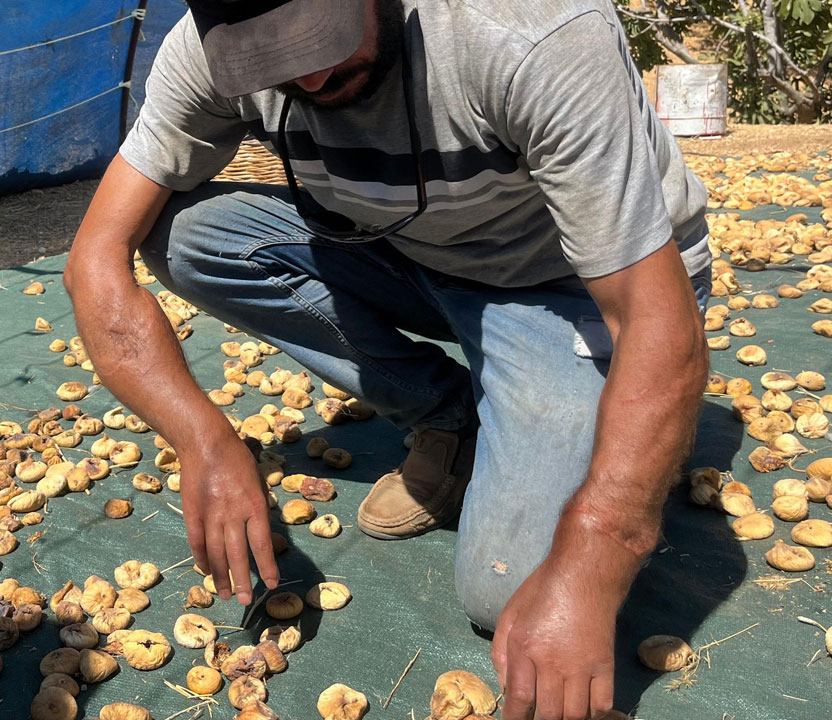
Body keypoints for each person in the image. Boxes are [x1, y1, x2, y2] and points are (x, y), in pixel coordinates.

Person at [63, 0, 710, 717]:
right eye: (272, 55)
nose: (309, 75)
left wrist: (600, 546)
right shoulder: (210, 47)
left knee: (511, 589)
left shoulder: (528, 33)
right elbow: (95, 259)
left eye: (320, 38)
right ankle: (453, 416)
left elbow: (655, 320)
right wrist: (203, 441)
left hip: (566, 286)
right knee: (188, 235)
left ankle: (549, 409)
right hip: (409, 251)